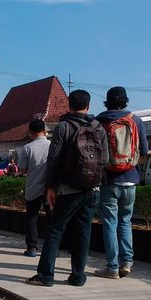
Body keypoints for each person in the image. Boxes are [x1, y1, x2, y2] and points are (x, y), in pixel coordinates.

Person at [26, 89, 107, 287]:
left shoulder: (63, 127)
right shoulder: (99, 128)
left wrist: (50, 187)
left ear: (69, 105)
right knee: (83, 233)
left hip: (67, 189)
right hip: (91, 189)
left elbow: (53, 160)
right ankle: (78, 276)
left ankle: (46, 275)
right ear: (88, 106)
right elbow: (105, 159)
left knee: (55, 231)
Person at [94, 86, 149, 279]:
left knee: (110, 222)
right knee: (125, 222)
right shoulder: (136, 119)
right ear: (125, 101)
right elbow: (144, 149)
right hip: (131, 179)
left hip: (109, 179)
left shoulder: (100, 120)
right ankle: (127, 262)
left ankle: (112, 267)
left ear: (107, 101)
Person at [17, 119, 50, 257]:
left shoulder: (27, 148)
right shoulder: (53, 145)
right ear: (45, 131)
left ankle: (32, 248)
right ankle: (51, 248)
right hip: (50, 189)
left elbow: (22, 170)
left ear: (30, 132)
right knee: (51, 218)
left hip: (33, 187)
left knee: (32, 217)